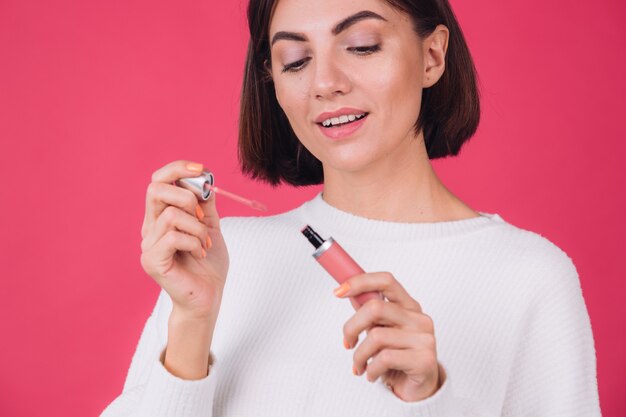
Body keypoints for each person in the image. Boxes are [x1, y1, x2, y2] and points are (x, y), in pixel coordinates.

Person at [100, 0, 601, 416]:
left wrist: (426, 401)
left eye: (361, 46)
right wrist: (192, 322)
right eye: (295, 60)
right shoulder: (220, 260)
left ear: (432, 56)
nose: (324, 83)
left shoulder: (529, 277)